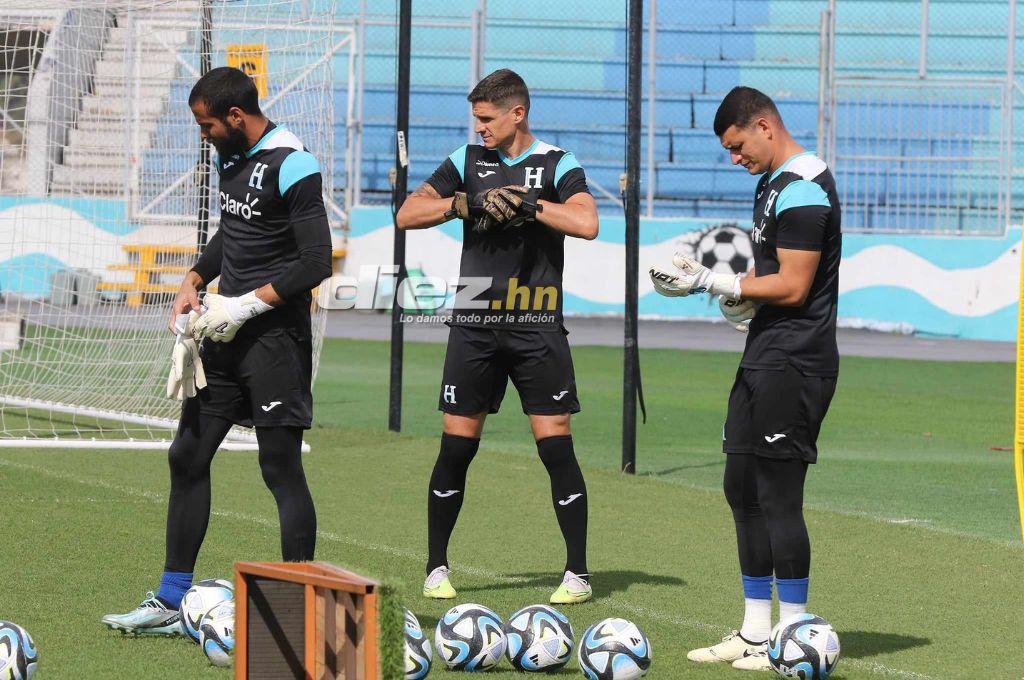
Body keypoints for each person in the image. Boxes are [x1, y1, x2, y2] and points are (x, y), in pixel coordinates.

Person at [102, 66, 332, 634]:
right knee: (186, 455)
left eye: (206, 126)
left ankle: (297, 609)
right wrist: (194, 279)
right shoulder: (230, 158)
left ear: (235, 116)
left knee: (279, 468)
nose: (202, 136)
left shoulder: (294, 163)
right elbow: (234, 230)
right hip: (223, 337)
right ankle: (170, 599)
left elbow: (315, 262)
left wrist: (246, 305)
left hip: (276, 342)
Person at [649, 85, 841, 671]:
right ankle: (756, 631)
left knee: (779, 496)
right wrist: (741, 305)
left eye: (738, 147)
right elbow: (766, 282)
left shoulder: (804, 186)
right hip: (765, 352)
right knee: (741, 487)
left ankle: (793, 635)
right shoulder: (769, 185)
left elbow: (795, 286)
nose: (735, 159)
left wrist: (714, 282)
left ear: (764, 126)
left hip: (797, 360)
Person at [396, 69, 599, 605]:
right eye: (476, 118)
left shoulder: (557, 163)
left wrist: (531, 205)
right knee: (456, 448)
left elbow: (587, 223)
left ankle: (577, 573)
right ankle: (436, 567)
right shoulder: (466, 160)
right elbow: (407, 213)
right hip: (474, 325)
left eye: (487, 118)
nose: (479, 127)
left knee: (556, 449)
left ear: (518, 113)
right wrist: (462, 204)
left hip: (537, 325)